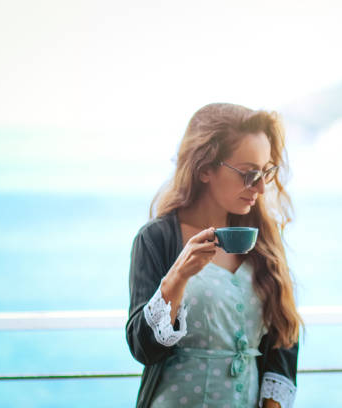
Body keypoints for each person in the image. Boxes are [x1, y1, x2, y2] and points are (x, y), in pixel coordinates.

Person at [125, 102, 304, 408]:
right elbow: (144, 350)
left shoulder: (263, 240)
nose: (260, 187)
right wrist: (177, 277)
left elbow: (283, 340)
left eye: (265, 173)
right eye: (249, 174)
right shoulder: (157, 239)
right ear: (205, 168)